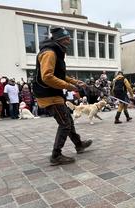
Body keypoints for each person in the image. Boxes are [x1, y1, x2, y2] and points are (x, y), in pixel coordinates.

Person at [32, 27, 92, 166]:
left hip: (53, 93)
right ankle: (56, 155)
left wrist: (75, 82)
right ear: (60, 39)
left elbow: (59, 75)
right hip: (48, 95)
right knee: (65, 123)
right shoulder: (50, 53)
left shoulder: (55, 51)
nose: (69, 40)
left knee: (68, 121)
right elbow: (47, 77)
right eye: (67, 38)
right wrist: (69, 86)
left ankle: (78, 144)